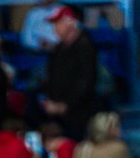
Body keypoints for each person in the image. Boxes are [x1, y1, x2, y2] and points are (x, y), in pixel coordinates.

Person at [41, 6, 98, 139]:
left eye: (57, 23)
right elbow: (52, 78)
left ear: (69, 22)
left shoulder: (85, 47)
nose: (54, 28)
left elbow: (86, 81)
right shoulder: (58, 49)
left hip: (79, 115)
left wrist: (65, 105)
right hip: (57, 116)